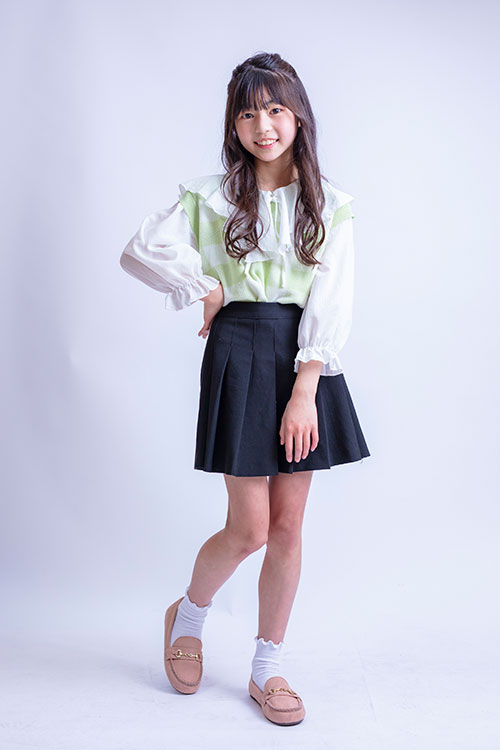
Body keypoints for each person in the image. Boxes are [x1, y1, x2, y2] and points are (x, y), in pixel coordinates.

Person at [120, 51, 371, 726]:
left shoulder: (330, 204)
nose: (264, 125)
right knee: (249, 527)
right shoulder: (212, 197)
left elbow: (332, 301)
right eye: (249, 112)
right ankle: (187, 617)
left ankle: (268, 667)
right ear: (234, 124)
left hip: (303, 357)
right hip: (237, 347)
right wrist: (204, 286)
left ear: (298, 116)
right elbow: (140, 249)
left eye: (276, 109)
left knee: (287, 525)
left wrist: (305, 389)